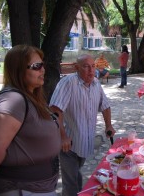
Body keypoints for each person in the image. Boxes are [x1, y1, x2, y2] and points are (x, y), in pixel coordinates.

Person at [0, 45, 61, 195]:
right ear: (18, 70)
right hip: (22, 190)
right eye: (36, 66)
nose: (43, 70)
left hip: (39, 188)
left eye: (42, 65)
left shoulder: (33, 97)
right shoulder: (13, 100)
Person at [49, 54, 116, 196]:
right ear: (76, 67)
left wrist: (108, 125)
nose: (91, 71)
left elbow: (105, 106)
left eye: (93, 66)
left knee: (76, 173)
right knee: (70, 183)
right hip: (69, 143)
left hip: (85, 141)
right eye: (86, 66)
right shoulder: (68, 83)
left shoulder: (96, 83)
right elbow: (55, 110)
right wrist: (62, 137)